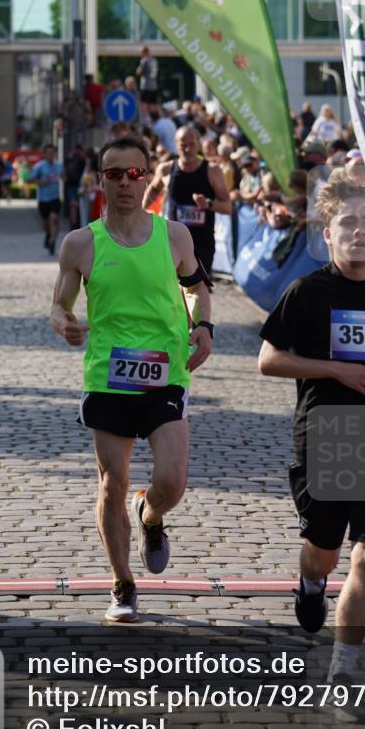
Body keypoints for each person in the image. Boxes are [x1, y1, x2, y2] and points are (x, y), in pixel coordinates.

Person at [258, 174, 365, 684]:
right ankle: (310, 582)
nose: (359, 231)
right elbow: (268, 361)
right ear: (326, 233)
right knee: (325, 552)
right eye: (347, 222)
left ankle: (344, 667)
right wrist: (336, 370)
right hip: (323, 432)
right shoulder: (307, 291)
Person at [50, 136, 213, 622]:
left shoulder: (175, 237)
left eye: (134, 173)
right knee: (111, 483)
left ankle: (152, 515)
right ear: (100, 179)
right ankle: (122, 583)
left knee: (171, 480)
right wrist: (64, 324)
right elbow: (58, 305)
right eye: (114, 173)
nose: (124, 182)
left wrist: (202, 325)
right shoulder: (80, 243)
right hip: (108, 377)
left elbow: (197, 289)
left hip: (166, 375)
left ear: (148, 179)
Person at [143, 126, 232, 277]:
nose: (188, 149)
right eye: (183, 145)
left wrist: (209, 204)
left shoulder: (212, 171)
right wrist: (140, 210)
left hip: (202, 243)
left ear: (198, 144)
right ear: (176, 144)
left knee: (199, 291)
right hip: (173, 242)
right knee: (174, 291)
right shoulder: (166, 169)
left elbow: (228, 207)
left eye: (191, 144)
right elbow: (153, 189)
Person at [30, 144, 63, 255]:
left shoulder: (59, 166)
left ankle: (52, 242)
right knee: (45, 224)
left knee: (53, 219)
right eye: (48, 153)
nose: (51, 155)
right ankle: (49, 235)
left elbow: (64, 176)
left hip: (55, 198)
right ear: (44, 154)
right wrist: (40, 182)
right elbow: (31, 179)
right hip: (43, 199)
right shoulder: (39, 166)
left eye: (53, 153)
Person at [64, 145, 87, 229]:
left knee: (73, 205)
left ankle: (73, 225)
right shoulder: (83, 159)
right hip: (80, 184)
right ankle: (77, 223)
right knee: (78, 204)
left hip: (70, 185)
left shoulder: (69, 159)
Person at [136, 46, 159, 113]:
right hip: (154, 85)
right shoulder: (154, 60)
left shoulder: (144, 60)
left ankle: (146, 117)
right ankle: (153, 116)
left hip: (146, 85)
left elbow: (139, 72)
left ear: (143, 52)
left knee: (144, 102)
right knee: (153, 103)